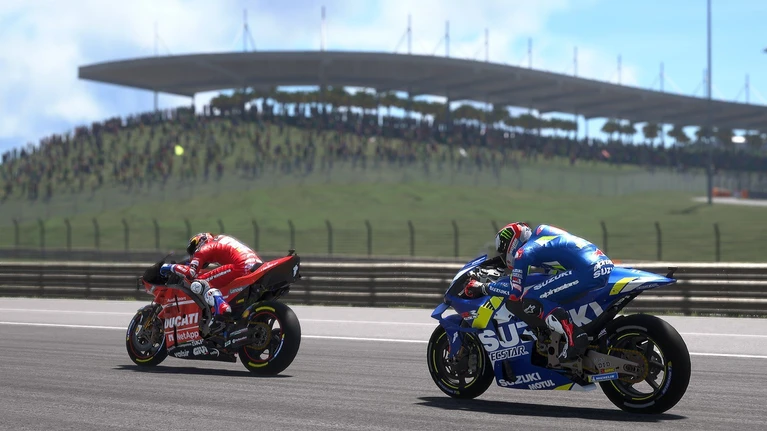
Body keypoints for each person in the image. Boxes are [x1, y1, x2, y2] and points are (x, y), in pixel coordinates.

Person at [464, 222, 614, 362]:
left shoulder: (523, 252)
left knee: (533, 298)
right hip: (602, 265)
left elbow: (515, 293)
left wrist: (483, 287)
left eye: (503, 251)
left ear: (512, 242)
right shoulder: (543, 236)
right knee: (547, 293)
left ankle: (575, 337)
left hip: (587, 270)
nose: (504, 256)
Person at [160, 232, 263, 332]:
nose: (193, 254)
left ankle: (221, 309)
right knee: (218, 282)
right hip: (256, 266)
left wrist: (170, 267)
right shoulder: (223, 240)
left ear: (200, 241)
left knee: (199, 282)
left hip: (242, 266)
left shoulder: (203, 249)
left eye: (192, 249)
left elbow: (191, 273)